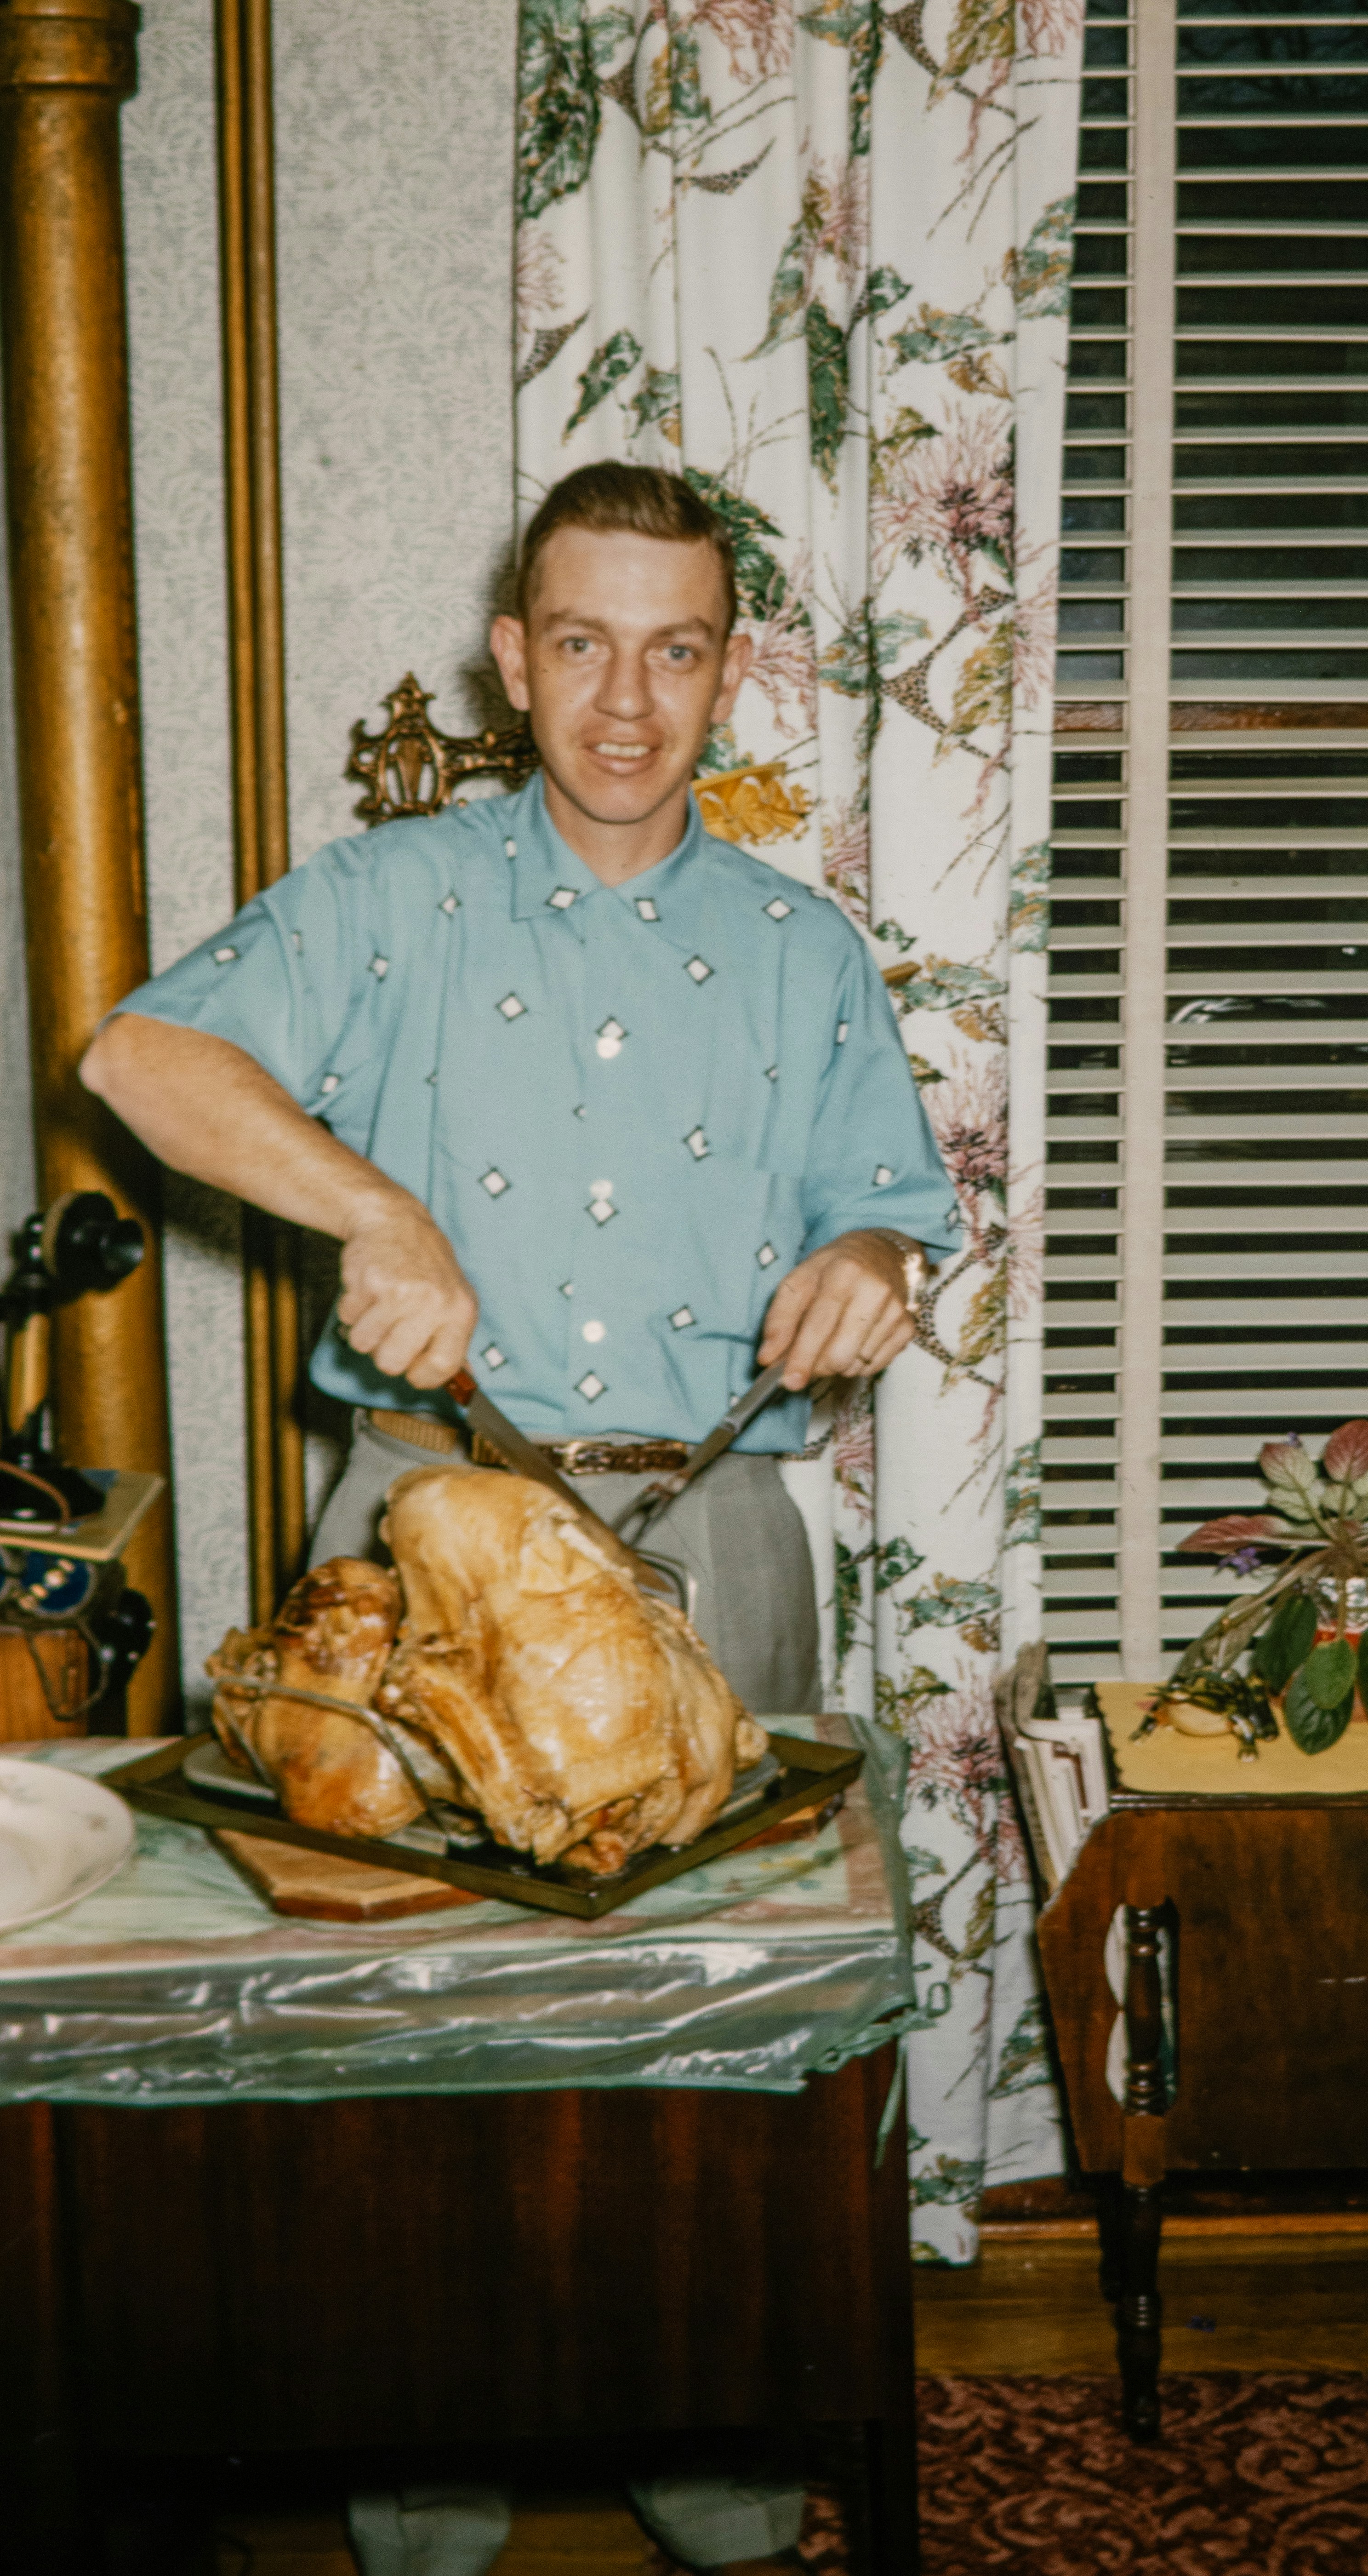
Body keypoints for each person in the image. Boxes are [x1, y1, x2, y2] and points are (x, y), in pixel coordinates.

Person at [81, 460, 958, 2576]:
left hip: (716, 1523)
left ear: (728, 666)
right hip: (427, 1520)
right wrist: (370, 1207)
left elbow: (886, 1210)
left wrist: (865, 1264)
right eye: (582, 644)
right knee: (420, 2037)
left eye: (674, 648)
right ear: (514, 656)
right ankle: (426, 2485)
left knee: (724, 2015)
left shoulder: (799, 944)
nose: (627, 700)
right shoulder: (392, 894)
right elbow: (137, 1057)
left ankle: (715, 2452)